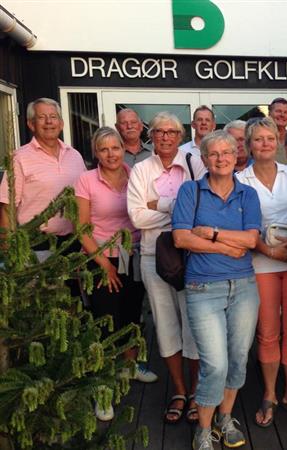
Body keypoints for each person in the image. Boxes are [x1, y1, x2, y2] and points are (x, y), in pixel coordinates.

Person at [172, 130, 262, 450]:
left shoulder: (248, 194)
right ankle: (203, 428)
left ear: (237, 156)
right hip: (203, 287)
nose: (221, 158)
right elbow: (181, 238)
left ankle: (225, 417)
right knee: (215, 364)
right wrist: (226, 246)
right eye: (214, 153)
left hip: (244, 287)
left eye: (227, 152)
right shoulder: (190, 191)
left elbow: (251, 239)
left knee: (237, 359)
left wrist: (210, 233)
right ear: (204, 159)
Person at [127, 112, 205, 426]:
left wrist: (157, 204)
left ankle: (197, 391)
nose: (165, 137)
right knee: (165, 326)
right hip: (152, 255)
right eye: (159, 131)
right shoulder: (141, 169)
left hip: (191, 254)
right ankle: (180, 390)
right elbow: (136, 217)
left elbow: (201, 209)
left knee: (194, 325)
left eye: (172, 132)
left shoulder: (195, 164)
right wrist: (180, 214)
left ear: (180, 135)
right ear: (152, 135)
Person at [74, 127, 158, 420]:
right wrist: (104, 264)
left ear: (124, 149)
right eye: (104, 149)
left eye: (115, 148)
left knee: (133, 316)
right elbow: (81, 228)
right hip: (101, 259)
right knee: (105, 322)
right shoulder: (86, 180)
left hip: (133, 255)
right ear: (96, 153)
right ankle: (103, 388)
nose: (111, 154)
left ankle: (131, 367)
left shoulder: (135, 175)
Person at [236, 117, 287, 428]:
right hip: (261, 264)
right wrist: (269, 251)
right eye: (258, 139)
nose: (265, 143)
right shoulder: (240, 180)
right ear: (248, 145)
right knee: (267, 333)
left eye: (269, 138)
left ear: (277, 142)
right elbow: (240, 226)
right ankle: (269, 393)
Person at [0, 98, 86, 263]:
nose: (49, 122)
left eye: (53, 117)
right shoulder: (19, 158)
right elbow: (7, 208)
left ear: (61, 123)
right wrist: (8, 251)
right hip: (35, 246)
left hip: (73, 243)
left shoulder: (75, 156)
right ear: (31, 124)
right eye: (41, 117)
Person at [268, 97, 287, 163]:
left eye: (286, 112)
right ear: (269, 114)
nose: (282, 115)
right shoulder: (263, 138)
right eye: (278, 111)